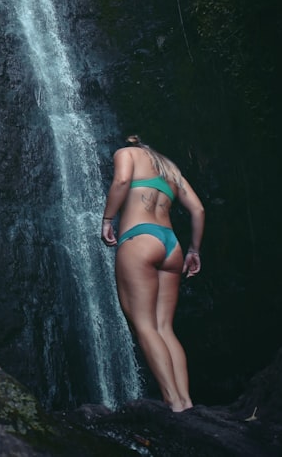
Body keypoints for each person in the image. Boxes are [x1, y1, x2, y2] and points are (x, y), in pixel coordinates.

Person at [100, 134, 205, 412]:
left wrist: (108, 219)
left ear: (134, 140)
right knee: (164, 328)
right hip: (171, 246)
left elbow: (121, 181)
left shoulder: (127, 153)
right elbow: (198, 209)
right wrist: (194, 251)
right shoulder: (171, 170)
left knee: (144, 326)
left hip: (139, 239)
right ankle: (186, 401)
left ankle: (172, 402)